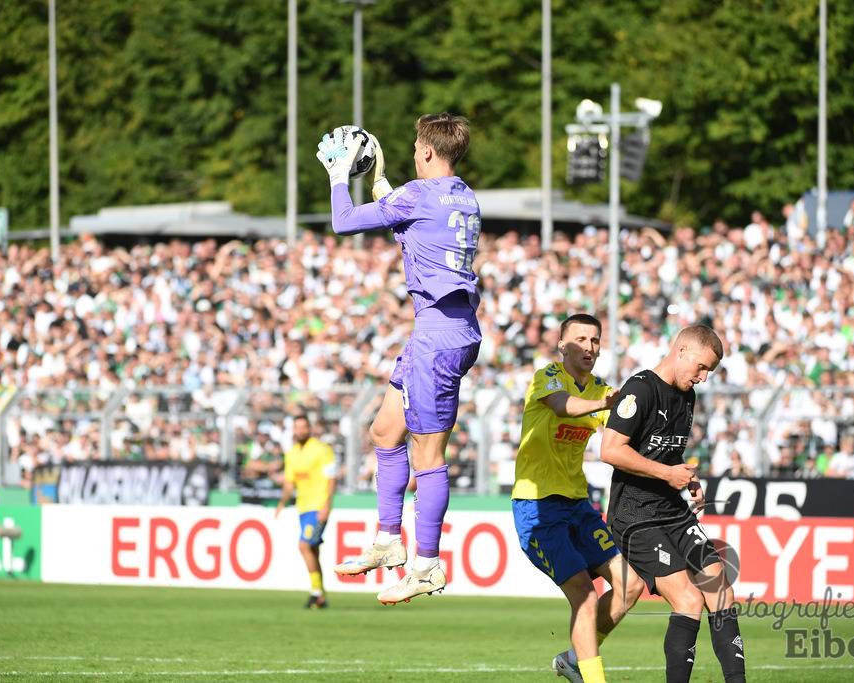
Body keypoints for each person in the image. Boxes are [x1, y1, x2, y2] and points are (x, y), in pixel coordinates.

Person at [316, 113, 482, 604]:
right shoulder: (463, 195)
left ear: (427, 151)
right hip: (439, 331)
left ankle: (427, 565)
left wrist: (339, 175)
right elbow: (413, 223)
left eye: (415, 146)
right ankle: (390, 541)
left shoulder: (418, 194)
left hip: (439, 337)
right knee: (385, 432)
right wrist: (383, 183)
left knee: (428, 456)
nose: (413, 151)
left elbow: (343, 222)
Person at [600, 325, 746, 683]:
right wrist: (667, 476)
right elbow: (610, 450)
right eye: (701, 367)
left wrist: (686, 478)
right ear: (681, 352)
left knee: (720, 590)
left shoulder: (686, 396)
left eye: (709, 371)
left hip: (672, 511)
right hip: (635, 515)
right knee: (689, 601)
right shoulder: (641, 389)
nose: (703, 378)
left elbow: (668, 454)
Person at [511, 314, 643, 683]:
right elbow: (561, 407)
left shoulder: (601, 389)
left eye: (595, 340)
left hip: (578, 505)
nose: (589, 346)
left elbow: (621, 438)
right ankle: (593, 677)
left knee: (630, 585)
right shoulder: (547, 377)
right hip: (538, 506)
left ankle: (575, 658)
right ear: (562, 345)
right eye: (581, 339)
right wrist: (605, 403)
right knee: (585, 595)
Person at [275, 414, 338, 609]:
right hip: (303, 507)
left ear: (309, 429)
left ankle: (316, 592)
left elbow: (332, 477)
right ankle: (322, 597)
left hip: (318, 506)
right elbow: (289, 482)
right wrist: (282, 503)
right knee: (312, 550)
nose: (300, 431)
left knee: (303, 545)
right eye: (297, 427)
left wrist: (327, 504)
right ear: (293, 430)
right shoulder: (291, 453)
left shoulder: (322, 449)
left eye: (303, 427)